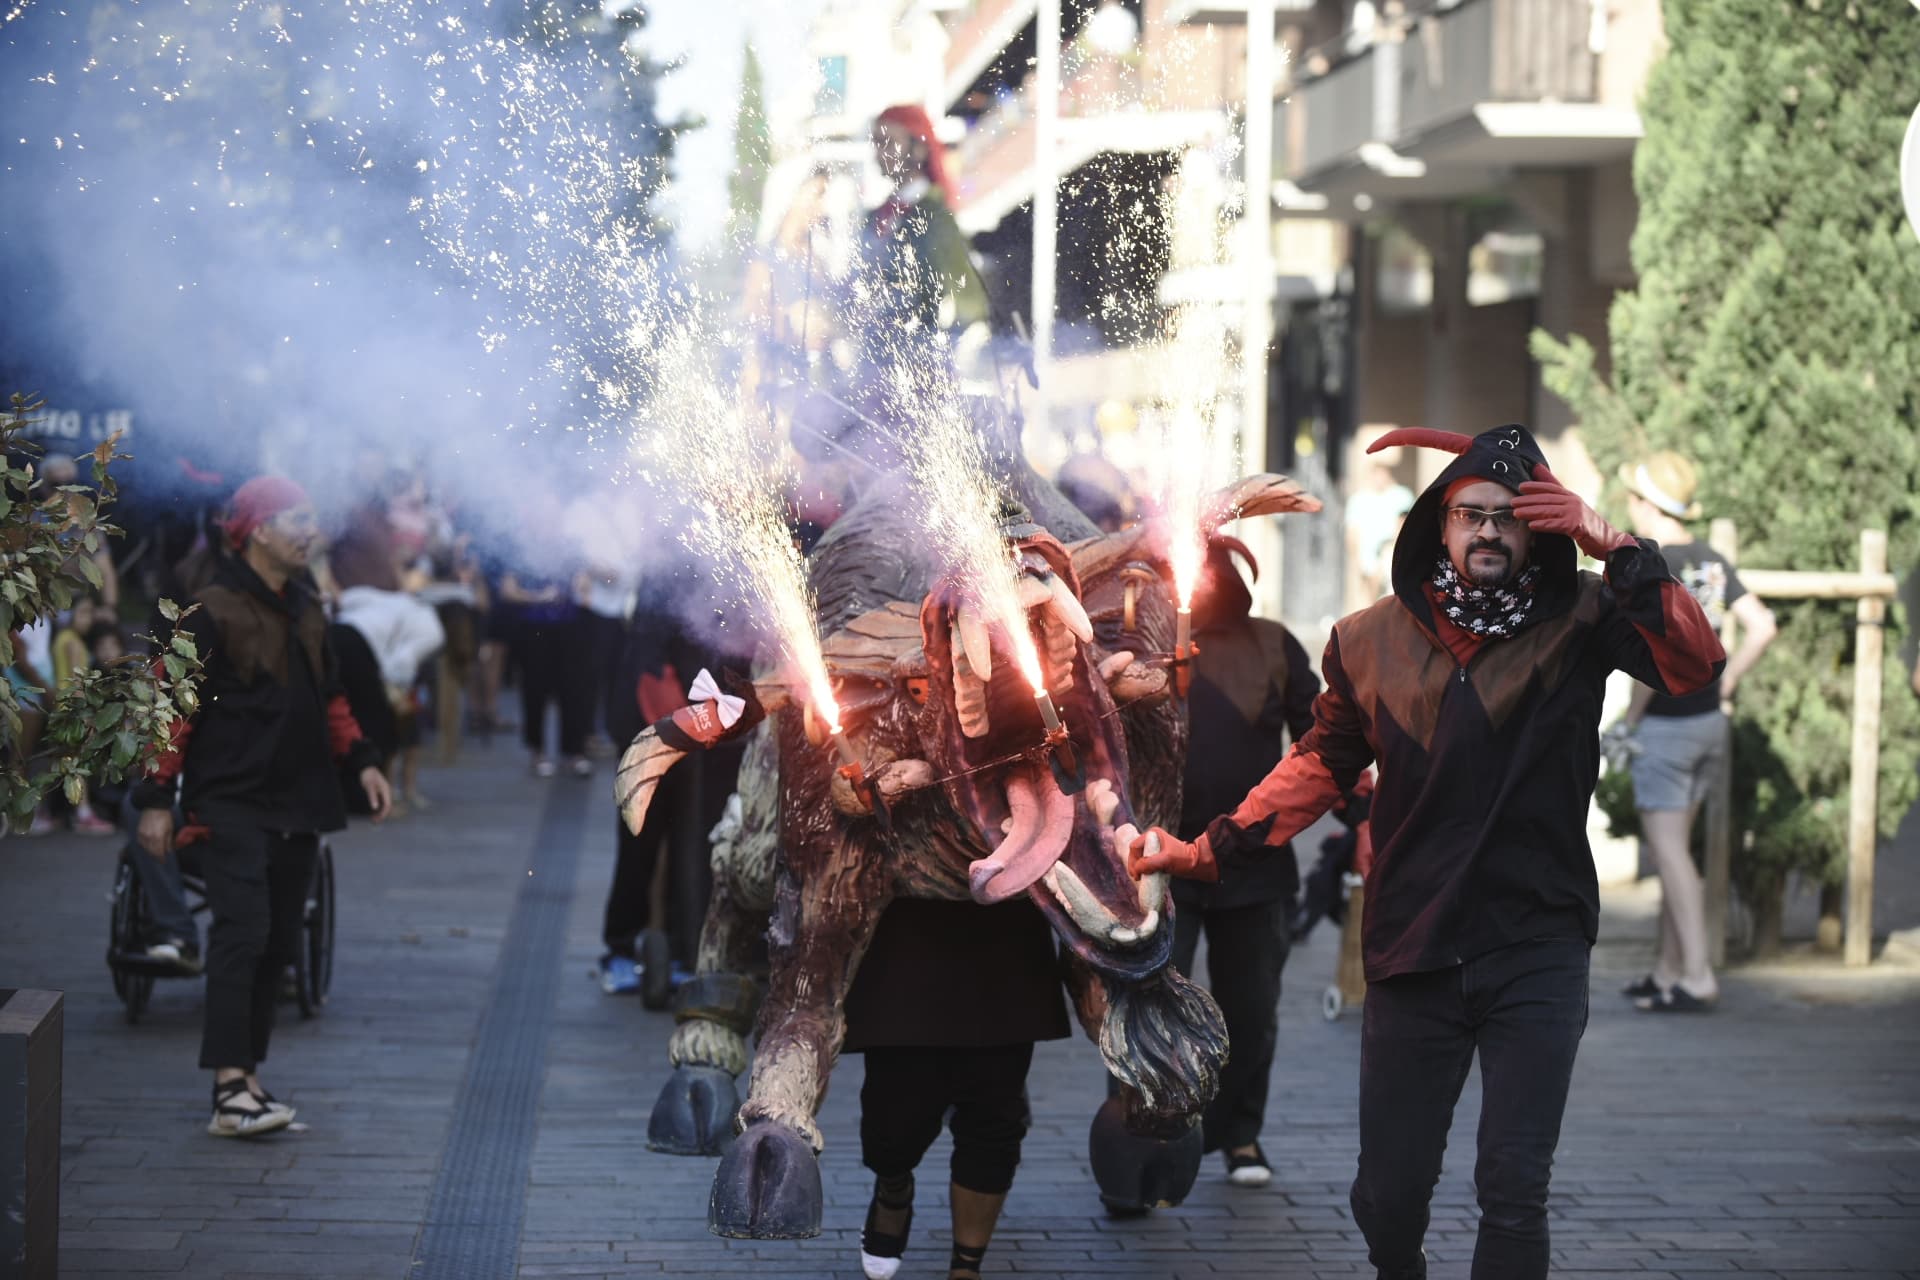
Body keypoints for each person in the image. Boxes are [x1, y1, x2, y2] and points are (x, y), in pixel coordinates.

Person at [1126, 424, 1726, 1280]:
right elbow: (1317, 767)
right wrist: (1202, 853)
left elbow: (1697, 663)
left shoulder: (1586, 616)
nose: (1489, 531)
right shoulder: (1368, 639)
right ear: (1439, 525)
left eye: (1509, 517)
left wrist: (1613, 543)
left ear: (1538, 531)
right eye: (1470, 514)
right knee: (1388, 1197)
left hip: (1539, 941)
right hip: (1414, 944)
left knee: (1513, 1187)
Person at [130, 475, 392, 1139]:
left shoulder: (306, 605)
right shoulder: (211, 609)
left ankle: (246, 1076)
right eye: (296, 519)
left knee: (278, 941)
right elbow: (172, 709)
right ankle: (227, 1090)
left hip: (300, 796)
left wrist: (362, 762)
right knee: (242, 933)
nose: (310, 531)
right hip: (231, 797)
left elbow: (331, 697)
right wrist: (156, 798)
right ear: (257, 531)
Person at [1168, 541, 1319, 1187]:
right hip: (1160, 861)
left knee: (1251, 1009)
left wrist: (1367, 816)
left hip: (1255, 861)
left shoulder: (1273, 644)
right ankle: (1147, 1143)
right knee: (1151, 1007)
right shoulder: (1146, 639)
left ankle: (1239, 1134)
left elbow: (1324, 741)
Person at [1616, 450, 1776, 1013]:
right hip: (1708, 722)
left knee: (1670, 855)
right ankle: (1667, 971)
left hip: (1665, 727)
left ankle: (1697, 975)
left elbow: (1653, 654)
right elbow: (1762, 626)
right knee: (1676, 853)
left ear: (1646, 503)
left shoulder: (1652, 562)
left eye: (1633, 496)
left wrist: (1628, 722)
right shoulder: (1710, 559)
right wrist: (1725, 682)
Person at [843, 896, 1070, 1280]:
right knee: (893, 1121)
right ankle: (893, 1188)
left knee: (995, 1114)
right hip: (907, 932)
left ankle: (966, 1266)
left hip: (1005, 932)